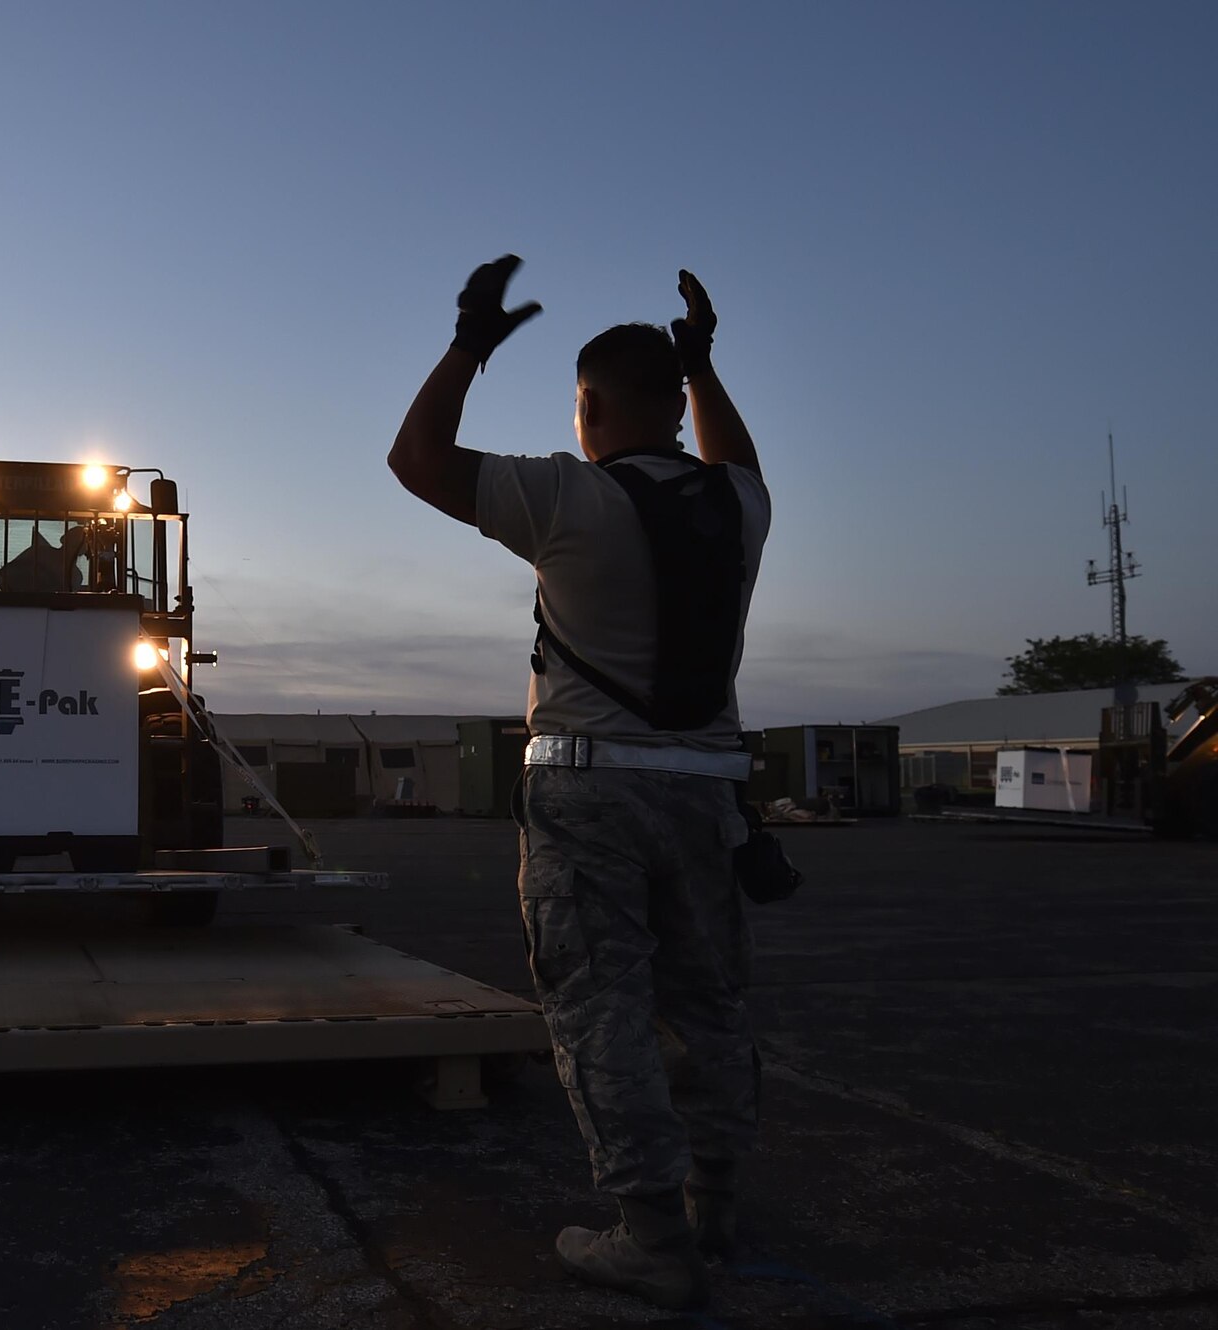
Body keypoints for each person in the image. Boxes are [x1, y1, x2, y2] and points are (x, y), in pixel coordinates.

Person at [387, 256, 771, 1311]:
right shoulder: (737, 508)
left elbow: (414, 459)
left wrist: (469, 341)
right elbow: (732, 458)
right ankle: (713, 1209)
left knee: (599, 1008)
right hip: (705, 794)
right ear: (679, 405)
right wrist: (702, 366)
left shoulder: (564, 493)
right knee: (708, 1003)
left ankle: (648, 1238)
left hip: (587, 794)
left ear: (588, 406)